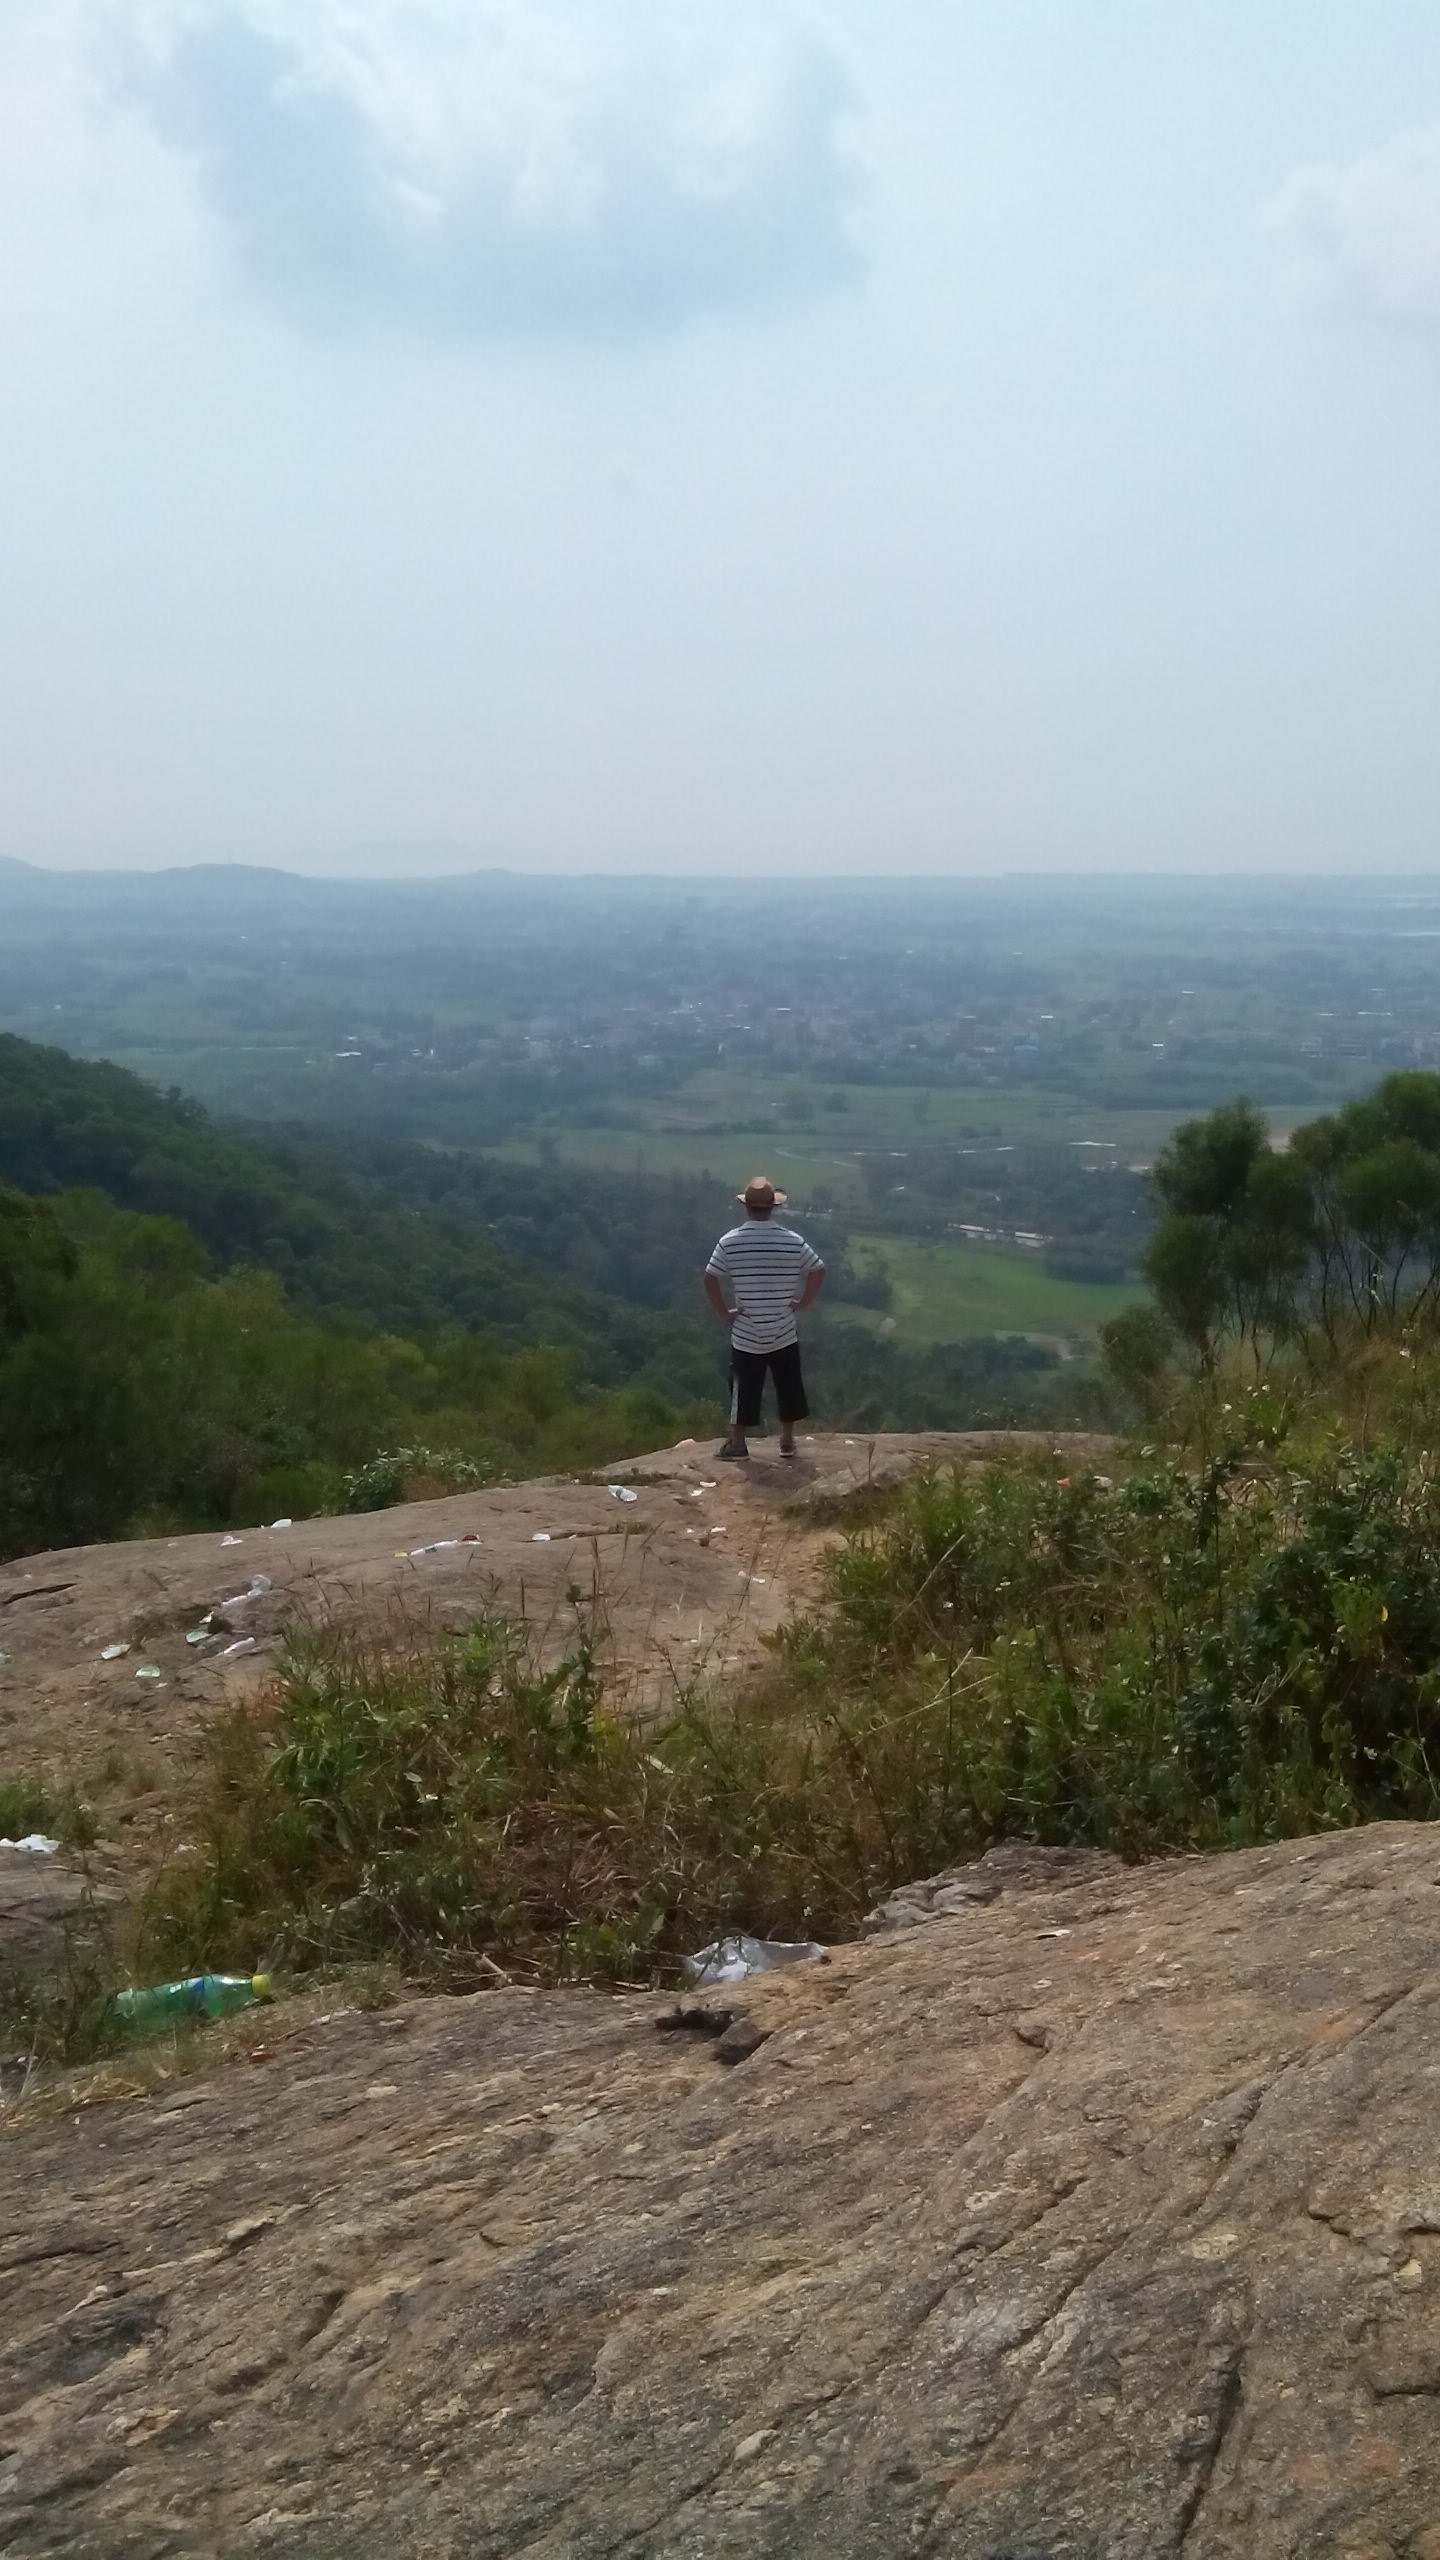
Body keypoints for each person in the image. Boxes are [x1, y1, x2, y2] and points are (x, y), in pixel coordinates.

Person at [704, 1175, 825, 1461]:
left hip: (747, 1330)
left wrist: (724, 1313)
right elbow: (818, 1269)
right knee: (788, 1383)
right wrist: (803, 1302)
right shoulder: (792, 1241)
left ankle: (738, 1444)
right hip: (783, 1327)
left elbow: (710, 1278)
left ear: (746, 1207)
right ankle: (787, 1441)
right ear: (774, 1208)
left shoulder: (730, 1241)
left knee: (743, 1386)